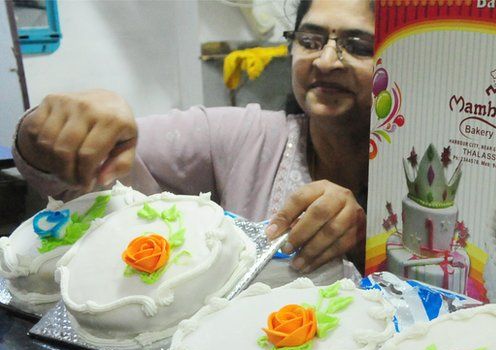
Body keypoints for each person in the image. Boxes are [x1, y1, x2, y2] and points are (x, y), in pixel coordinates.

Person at [12, 0, 373, 273]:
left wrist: (363, 242)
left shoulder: (423, 178)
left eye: (358, 46)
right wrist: (50, 130)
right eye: (310, 40)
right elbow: (88, 165)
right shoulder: (249, 136)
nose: (326, 61)